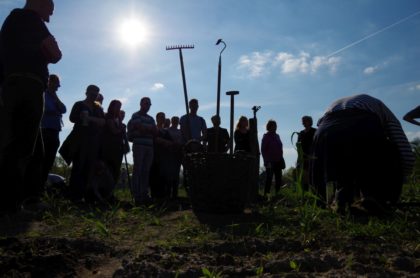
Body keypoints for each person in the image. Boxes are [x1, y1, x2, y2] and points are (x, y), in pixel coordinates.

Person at [0, 0, 62, 211]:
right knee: (23, 145)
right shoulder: (30, 18)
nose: (50, 17)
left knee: (32, 146)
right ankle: (12, 202)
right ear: (40, 4)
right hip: (29, 86)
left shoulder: (10, 22)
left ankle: (31, 197)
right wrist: (46, 51)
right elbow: (56, 54)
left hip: (10, 86)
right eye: (50, 11)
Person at [310, 94, 415, 213]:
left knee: (346, 159)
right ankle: (376, 199)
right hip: (362, 124)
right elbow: (403, 148)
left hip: (324, 131)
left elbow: (323, 126)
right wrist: (401, 174)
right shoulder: (386, 113)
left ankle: (341, 200)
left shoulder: (337, 105)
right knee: (391, 150)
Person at [63, 85, 105, 202]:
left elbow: (103, 122)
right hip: (80, 140)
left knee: (89, 168)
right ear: (86, 93)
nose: (94, 95)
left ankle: (84, 196)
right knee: (78, 167)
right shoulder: (79, 104)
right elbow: (72, 118)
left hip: (93, 142)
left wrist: (90, 119)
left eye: (96, 94)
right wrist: (81, 117)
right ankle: (74, 196)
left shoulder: (98, 108)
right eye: (92, 93)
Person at [127, 97, 157, 205]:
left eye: (149, 104)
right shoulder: (136, 115)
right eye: (146, 103)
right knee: (138, 170)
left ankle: (144, 194)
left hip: (149, 146)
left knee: (146, 171)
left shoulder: (151, 118)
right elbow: (140, 128)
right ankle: (137, 196)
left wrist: (145, 129)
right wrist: (147, 129)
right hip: (139, 146)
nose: (147, 106)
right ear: (141, 104)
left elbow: (155, 131)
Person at [40, 74, 66, 187]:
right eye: (56, 85)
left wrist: (55, 97)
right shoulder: (43, 94)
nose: (57, 88)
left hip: (55, 131)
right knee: (41, 159)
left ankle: (42, 185)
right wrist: (55, 112)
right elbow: (44, 109)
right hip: (44, 130)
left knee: (49, 160)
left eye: (58, 86)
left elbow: (64, 109)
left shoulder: (53, 96)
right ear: (49, 82)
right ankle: (36, 186)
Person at [101, 100, 125, 186]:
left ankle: (110, 193)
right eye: (117, 106)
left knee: (115, 170)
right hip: (108, 147)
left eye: (120, 107)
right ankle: (103, 191)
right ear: (112, 107)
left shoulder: (118, 119)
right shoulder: (108, 116)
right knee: (107, 169)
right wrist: (121, 129)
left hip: (117, 147)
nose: (118, 109)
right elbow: (114, 131)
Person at [261, 120, 285, 196]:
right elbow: (263, 150)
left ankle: (277, 195)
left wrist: (281, 158)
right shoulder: (266, 136)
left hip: (278, 160)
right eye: (273, 126)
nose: (275, 127)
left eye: (275, 126)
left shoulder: (277, 136)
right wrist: (266, 162)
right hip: (270, 161)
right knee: (269, 179)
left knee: (278, 179)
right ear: (269, 127)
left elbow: (280, 148)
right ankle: (266, 196)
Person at [296, 115, 316, 191]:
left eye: (304, 121)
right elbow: (298, 146)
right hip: (302, 159)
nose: (303, 122)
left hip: (312, 158)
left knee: (312, 178)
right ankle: (305, 195)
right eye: (302, 121)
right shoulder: (301, 133)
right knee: (304, 179)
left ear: (309, 122)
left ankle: (314, 194)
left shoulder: (314, 131)